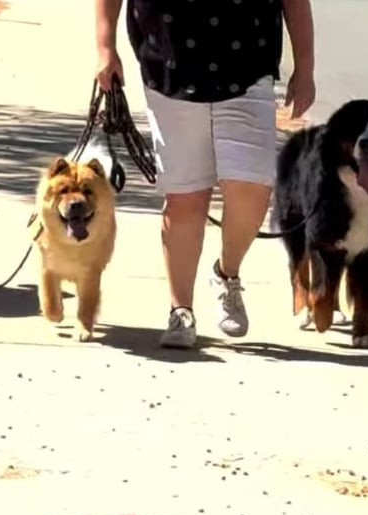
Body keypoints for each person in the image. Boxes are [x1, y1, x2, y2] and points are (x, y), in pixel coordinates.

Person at [94, 0, 316, 349]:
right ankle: (180, 310)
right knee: (185, 198)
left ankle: (226, 274)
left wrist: (305, 68)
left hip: (248, 66)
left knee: (252, 189)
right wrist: (106, 48)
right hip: (170, 67)